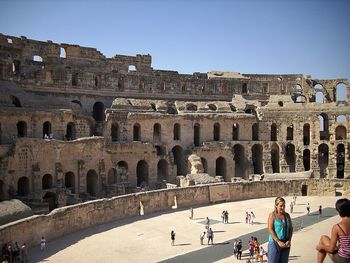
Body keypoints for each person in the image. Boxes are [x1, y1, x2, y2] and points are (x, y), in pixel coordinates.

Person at [316, 198, 350, 263]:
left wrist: (321, 247)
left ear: (338, 212)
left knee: (323, 238)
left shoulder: (337, 227)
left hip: (343, 259)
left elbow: (331, 249)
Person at [267, 197, 293, 263]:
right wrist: (278, 241)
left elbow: (290, 229)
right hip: (274, 243)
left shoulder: (287, 215)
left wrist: (289, 240)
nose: (283, 208)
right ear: (276, 205)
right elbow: (270, 229)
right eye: (281, 206)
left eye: (284, 205)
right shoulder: (272, 215)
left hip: (285, 244)